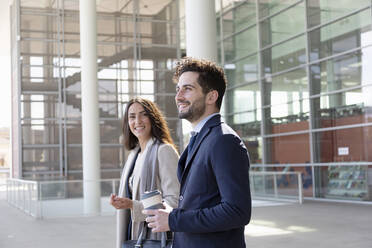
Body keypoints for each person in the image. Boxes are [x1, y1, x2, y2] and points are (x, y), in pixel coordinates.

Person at [144, 57, 252, 248]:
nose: (178, 97)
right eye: (178, 89)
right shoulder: (201, 137)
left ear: (211, 97)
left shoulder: (224, 140)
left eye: (188, 88)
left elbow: (236, 211)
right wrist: (171, 211)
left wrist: (175, 219)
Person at [110, 97, 180, 248]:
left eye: (143, 115)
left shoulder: (164, 151)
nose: (138, 121)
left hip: (155, 237)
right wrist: (123, 203)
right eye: (132, 117)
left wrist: (133, 205)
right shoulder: (134, 156)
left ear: (153, 118)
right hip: (133, 234)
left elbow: (174, 201)